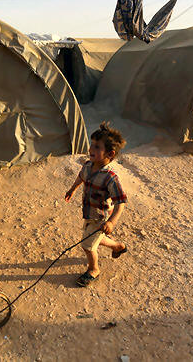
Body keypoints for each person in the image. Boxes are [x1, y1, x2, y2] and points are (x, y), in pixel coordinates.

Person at [64, 122, 128, 287]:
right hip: (89, 212)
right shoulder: (88, 166)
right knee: (95, 238)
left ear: (110, 154)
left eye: (97, 147)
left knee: (87, 245)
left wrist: (111, 222)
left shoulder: (110, 178)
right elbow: (81, 176)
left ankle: (94, 269)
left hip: (100, 217)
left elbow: (120, 202)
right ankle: (118, 246)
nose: (91, 149)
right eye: (92, 144)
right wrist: (72, 189)